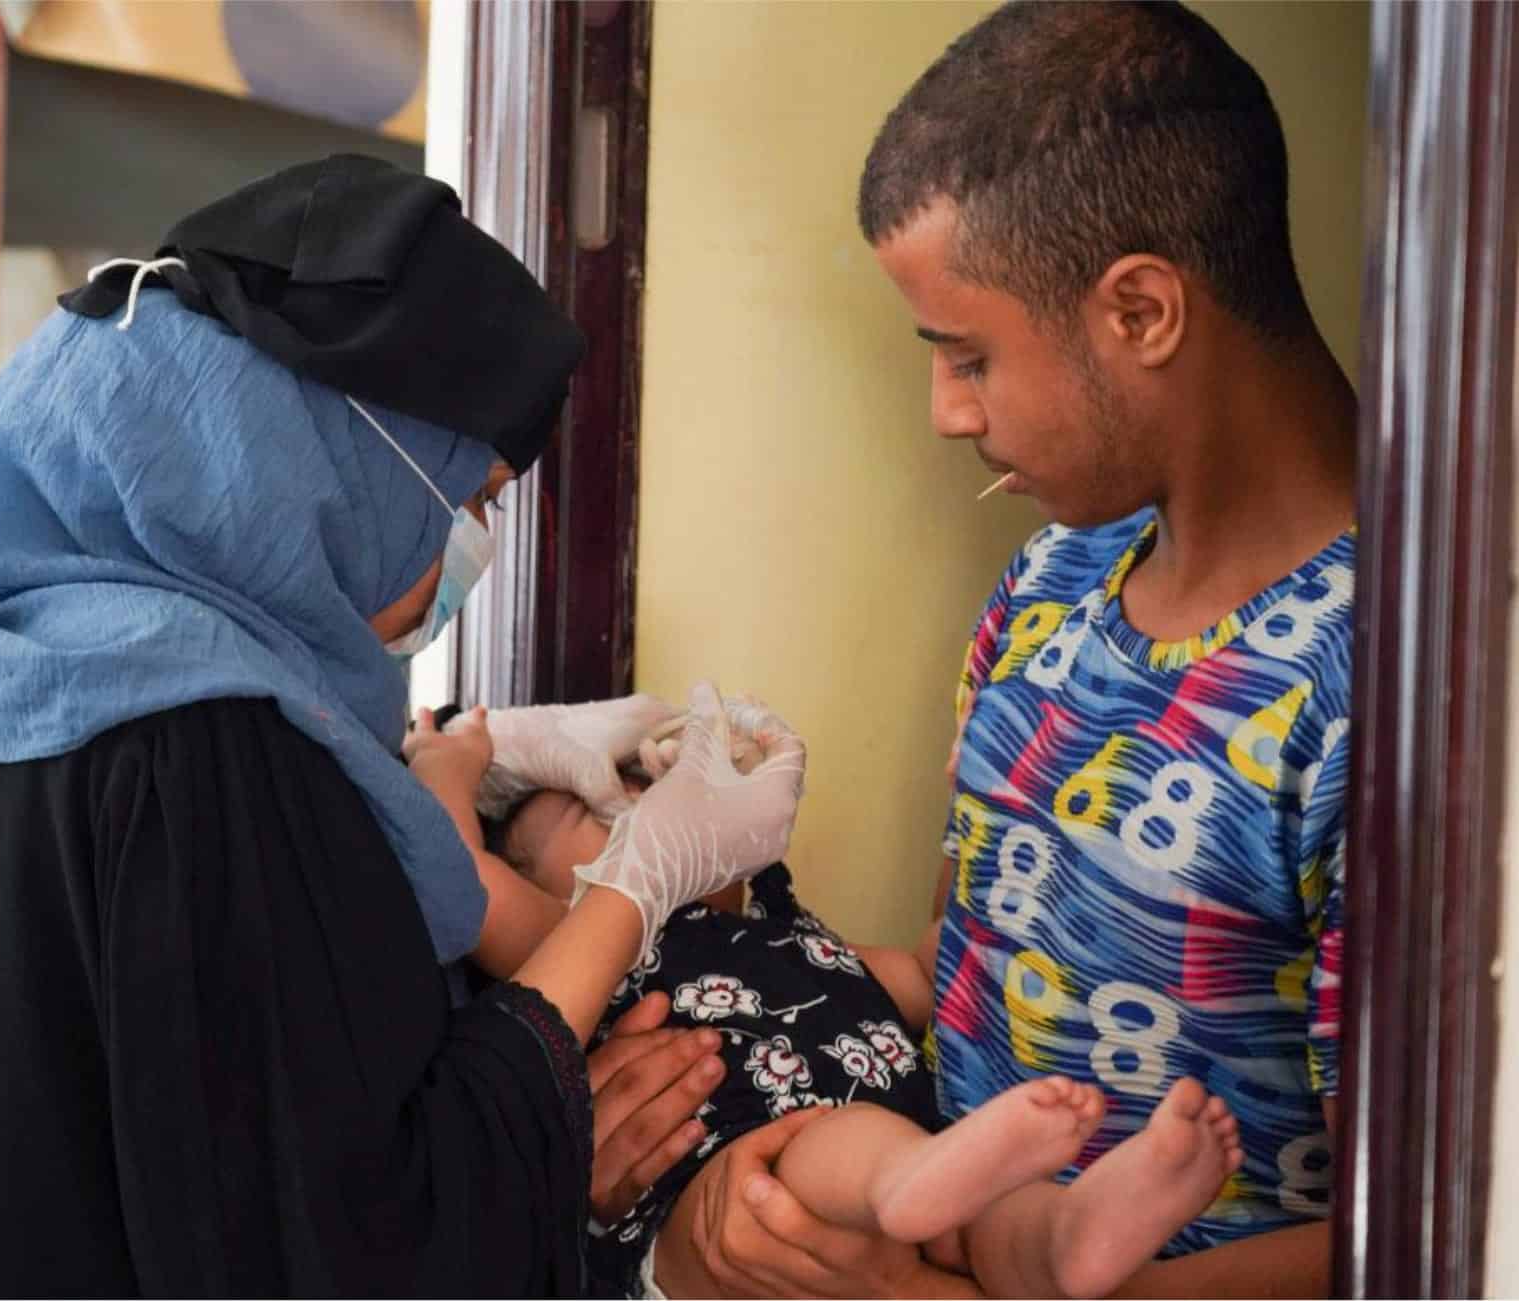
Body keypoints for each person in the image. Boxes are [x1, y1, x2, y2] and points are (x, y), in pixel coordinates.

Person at [0, 155, 807, 1298]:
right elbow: (356, 1242)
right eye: (471, 500)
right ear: (342, 465)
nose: (466, 555)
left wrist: (483, 752)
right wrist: (630, 902)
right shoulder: (198, 747)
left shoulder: (8, 669)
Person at [577, 4, 1357, 1295]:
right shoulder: (1042, 591)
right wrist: (709, 1115)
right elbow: (973, 993)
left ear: (1142, 311)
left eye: (966, 356)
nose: (944, 414)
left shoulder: (1378, 693)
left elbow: (1427, 1230)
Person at [410, 711, 1247, 1300]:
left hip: (924, 1167)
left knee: (994, 1219)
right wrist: (450, 763)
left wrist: (1011, 818)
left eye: (644, 793)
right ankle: (915, 1182)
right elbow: (463, 884)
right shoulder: (582, 942)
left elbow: (938, 967)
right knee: (847, 1154)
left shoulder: (793, 936)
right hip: (750, 1181)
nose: (632, 807)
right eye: (581, 817)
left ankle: (1072, 1237)